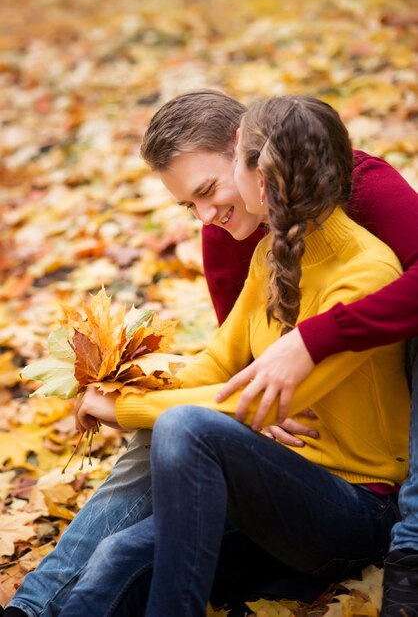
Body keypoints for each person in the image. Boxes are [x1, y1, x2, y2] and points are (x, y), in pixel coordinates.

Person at [3, 89, 418, 617]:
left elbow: (253, 403)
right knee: (118, 555)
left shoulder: (367, 270)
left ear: (257, 172)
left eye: (209, 190)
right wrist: (116, 385)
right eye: (188, 204)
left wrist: (121, 410)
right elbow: (219, 362)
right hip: (275, 481)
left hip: (354, 506)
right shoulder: (268, 252)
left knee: (183, 428)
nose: (203, 217)